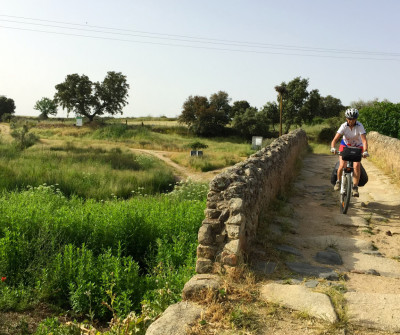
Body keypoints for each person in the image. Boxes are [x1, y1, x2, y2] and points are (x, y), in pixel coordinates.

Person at [330, 108, 369, 197]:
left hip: (357, 147)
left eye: (353, 119)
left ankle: (355, 188)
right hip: (345, 146)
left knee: (356, 166)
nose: (351, 121)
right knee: (342, 165)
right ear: (346, 119)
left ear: (356, 119)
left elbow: (364, 141)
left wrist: (365, 151)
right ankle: (338, 182)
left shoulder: (359, 126)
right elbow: (335, 139)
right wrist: (333, 147)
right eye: (349, 119)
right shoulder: (343, 126)